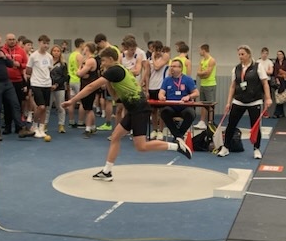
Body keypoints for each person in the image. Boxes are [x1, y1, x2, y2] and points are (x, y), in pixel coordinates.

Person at [61, 47, 191, 181]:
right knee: (115, 136)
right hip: (134, 109)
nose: (102, 64)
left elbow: (90, 87)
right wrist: (109, 83)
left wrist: (72, 101)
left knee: (141, 146)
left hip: (139, 109)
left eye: (104, 61)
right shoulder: (119, 70)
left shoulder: (114, 70)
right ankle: (107, 171)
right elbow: (116, 97)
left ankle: (176, 146)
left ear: (110, 59)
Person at [218, 45, 273, 160]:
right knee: (231, 124)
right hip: (238, 101)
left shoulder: (258, 67)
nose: (240, 56)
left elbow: (265, 83)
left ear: (249, 54)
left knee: (255, 126)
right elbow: (233, 86)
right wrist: (228, 102)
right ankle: (226, 147)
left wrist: (268, 98)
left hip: (254, 101)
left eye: (242, 54)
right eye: (239, 54)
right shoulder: (236, 69)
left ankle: (256, 149)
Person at [158, 59, 199, 139]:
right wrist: (161, 96)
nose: (171, 68)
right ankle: (178, 136)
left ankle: (178, 135)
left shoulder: (188, 79)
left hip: (184, 107)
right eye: (171, 66)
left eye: (174, 66)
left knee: (191, 114)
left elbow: (196, 93)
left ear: (180, 68)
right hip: (171, 107)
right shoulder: (167, 80)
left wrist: (189, 96)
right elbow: (161, 93)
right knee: (164, 113)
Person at [26, 35, 54, 139]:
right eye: (44, 43)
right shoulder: (33, 56)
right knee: (40, 106)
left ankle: (41, 128)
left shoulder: (49, 57)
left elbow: (49, 69)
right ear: (39, 43)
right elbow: (28, 70)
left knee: (45, 107)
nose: (46, 45)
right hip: (36, 84)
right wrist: (35, 76)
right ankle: (34, 126)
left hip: (47, 84)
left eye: (47, 44)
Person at [195, 44, 217, 128]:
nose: (199, 52)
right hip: (203, 85)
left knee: (210, 104)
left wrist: (202, 74)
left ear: (203, 50)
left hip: (210, 85)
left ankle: (210, 122)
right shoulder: (202, 60)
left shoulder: (211, 60)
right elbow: (198, 72)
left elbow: (208, 74)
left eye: (200, 50)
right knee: (203, 104)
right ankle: (202, 122)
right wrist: (202, 73)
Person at [272, 50, 286, 118]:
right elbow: (275, 73)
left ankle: (277, 113)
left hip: (285, 79)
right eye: (278, 54)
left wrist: (281, 72)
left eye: (280, 54)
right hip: (278, 80)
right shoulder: (276, 63)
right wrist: (277, 78)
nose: (279, 56)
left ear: (283, 55)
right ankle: (279, 113)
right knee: (280, 95)